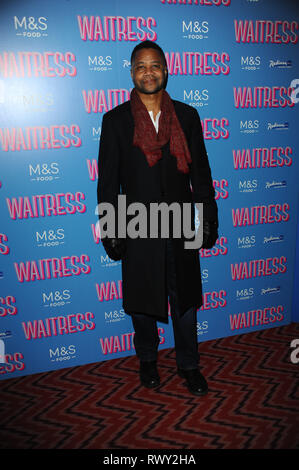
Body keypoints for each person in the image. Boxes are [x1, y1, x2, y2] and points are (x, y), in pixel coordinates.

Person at [97, 41, 218, 396]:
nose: (148, 72)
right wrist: (111, 229)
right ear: (131, 72)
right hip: (137, 224)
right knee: (142, 302)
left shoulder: (187, 116)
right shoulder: (115, 121)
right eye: (140, 66)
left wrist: (208, 214)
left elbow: (202, 171)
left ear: (166, 70)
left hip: (180, 222)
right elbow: (108, 182)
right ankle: (147, 360)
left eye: (155, 65)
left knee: (185, 301)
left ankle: (189, 365)